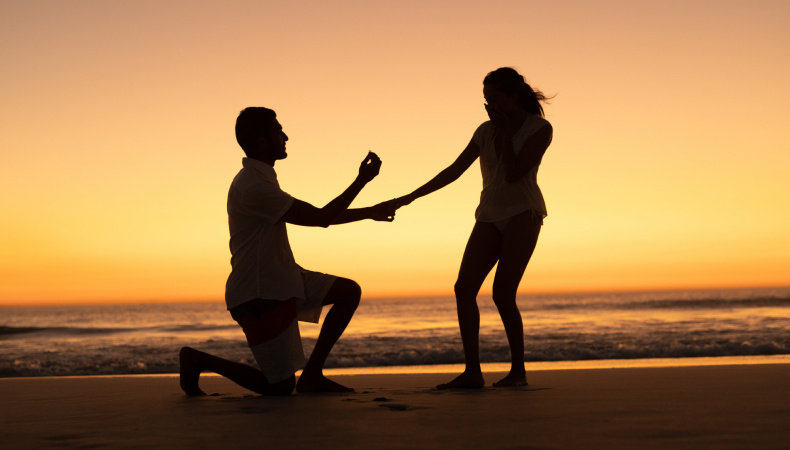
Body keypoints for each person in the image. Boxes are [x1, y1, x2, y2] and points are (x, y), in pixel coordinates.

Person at [180, 107, 396, 396]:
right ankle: (197, 359)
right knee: (279, 387)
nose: (285, 136)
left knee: (348, 292)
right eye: (278, 130)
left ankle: (313, 375)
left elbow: (320, 216)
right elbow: (320, 218)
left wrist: (371, 211)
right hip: (260, 294)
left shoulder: (262, 179)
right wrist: (362, 182)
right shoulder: (254, 186)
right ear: (262, 142)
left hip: (284, 279)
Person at [393, 68, 553, 388]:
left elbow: (514, 174)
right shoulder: (483, 131)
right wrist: (409, 197)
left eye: (493, 99)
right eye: (485, 100)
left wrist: (506, 132)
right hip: (488, 214)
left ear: (512, 97)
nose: (488, 105)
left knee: (502, 294)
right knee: (463, 288)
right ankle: (472, 372)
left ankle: (518, 373)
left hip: (524, 213)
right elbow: (454, 170)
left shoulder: (539, 128)